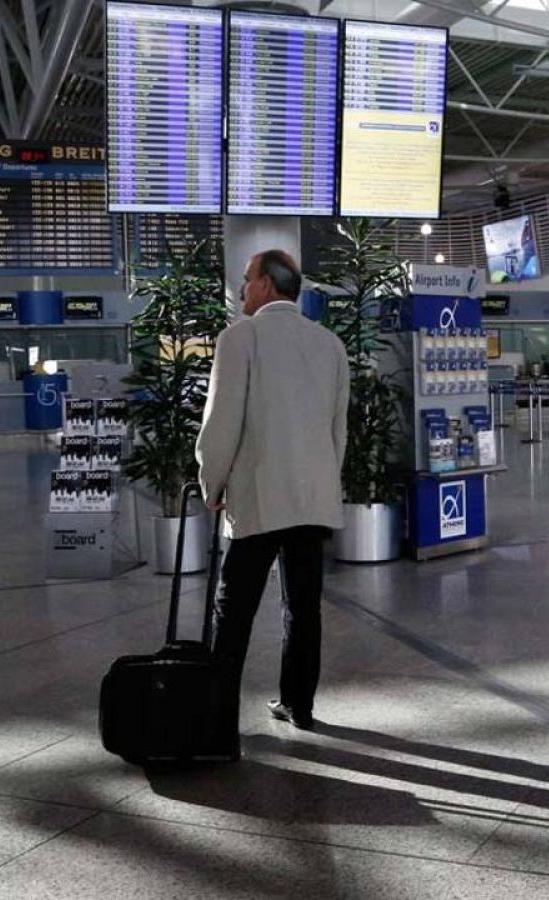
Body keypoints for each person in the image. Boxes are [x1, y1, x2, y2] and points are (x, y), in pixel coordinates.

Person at [196, 249, 350, 731]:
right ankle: (298, 705)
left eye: (247, 279)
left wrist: (211, 482)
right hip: (313, 499)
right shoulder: (329, 344)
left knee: (234, 610)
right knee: (303, 608)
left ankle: (217, 716)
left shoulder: (240, 338)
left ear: (266, 284)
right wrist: (324, 484)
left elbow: (222, 424)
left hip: (259, 496)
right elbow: (337, 431)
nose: (241, 288)